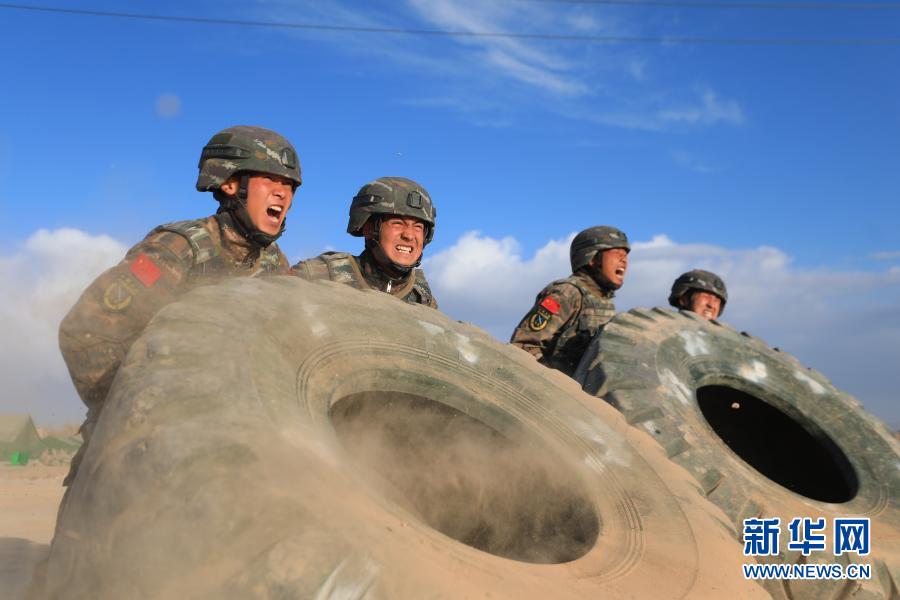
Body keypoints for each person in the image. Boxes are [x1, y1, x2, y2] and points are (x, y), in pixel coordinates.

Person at [58, 125, 302, 486]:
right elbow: (86, 330)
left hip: (225, 451)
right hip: (133, 458)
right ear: (229, 183)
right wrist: (129, 411)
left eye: (290, 185)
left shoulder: (275, 265)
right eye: (269, 179)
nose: (282, 192)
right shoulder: (180, 249)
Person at [292, 176, 438, 308]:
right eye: (397, 223)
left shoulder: (424, 300)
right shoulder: (318, 276)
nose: (409, 235)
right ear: (369, 229)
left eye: (418, 227)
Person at [510, 226, 629, 377]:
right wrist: (552, 379)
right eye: (617, 253)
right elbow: (523, 345)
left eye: (626, 255)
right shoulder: (566, 293)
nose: (624, 260)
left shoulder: (606, 304)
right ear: (592, 258)